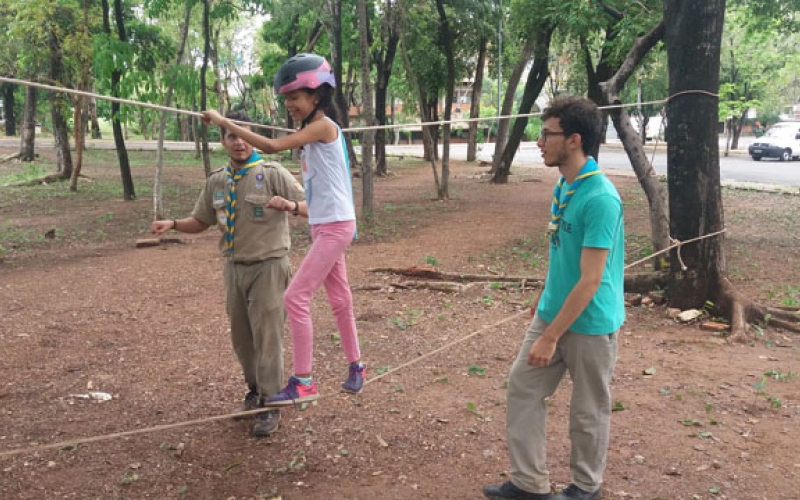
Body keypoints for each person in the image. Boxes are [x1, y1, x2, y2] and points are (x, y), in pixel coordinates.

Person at [201, 53, 364, 408]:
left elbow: (272, 146)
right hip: (324, 224)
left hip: (335, 226)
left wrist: (223, 120)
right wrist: (291, 207)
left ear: (316, 96)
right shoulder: (310, 132)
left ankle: (303, 381)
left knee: (295, 297)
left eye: (294, 98)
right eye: (286, 98)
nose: (289, 104)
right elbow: (310, 183)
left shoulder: (323, 127)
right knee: (339, 298)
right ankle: (356, 366)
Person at [483, 96, 625, 500]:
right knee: (523, 388)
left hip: (590, 323)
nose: (539, 141)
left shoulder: (600, 198)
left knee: (587, 409)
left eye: (548, 134)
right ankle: (529, 483)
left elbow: (592, 278)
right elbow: (559, 250)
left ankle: (585, 487)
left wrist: (551, 336)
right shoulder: (565, 184)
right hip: (553, 314)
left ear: (574, 140)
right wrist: (546, 297)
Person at [151, 111, 305, 437]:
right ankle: (254, 390)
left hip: (269, 266)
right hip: (234, 268)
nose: (239, 142)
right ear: (222, 141)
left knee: (268, 337)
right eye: (231, 136)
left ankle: (271, 402)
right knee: (242, 338)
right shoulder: (218, 180)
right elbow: (202, 221)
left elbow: (313, 206)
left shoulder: (273, 173)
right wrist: (174, 224)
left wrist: (290, 207)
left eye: (244, 134)